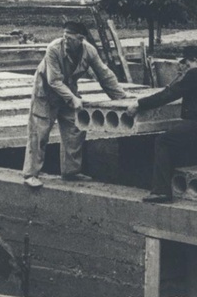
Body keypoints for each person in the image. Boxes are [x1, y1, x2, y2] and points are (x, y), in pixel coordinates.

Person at [22, 20, 129, 189]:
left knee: (75, 128)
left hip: (68, 92)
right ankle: (30, 174)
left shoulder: (89, 51)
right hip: (46, 94)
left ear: (80, 39)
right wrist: (73, 99)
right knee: (39, 133)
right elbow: (54, 81)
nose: (65, 41)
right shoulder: (53, 49)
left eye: (69, 38)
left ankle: (70, 171)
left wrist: (122, 98)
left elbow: (105, 75)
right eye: (64, 37)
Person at [125, 48, 197, 204]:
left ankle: (161, 191)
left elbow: (169, 95)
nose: (186, 68)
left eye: (187, 64)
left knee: (163, 141)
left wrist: (139, 103)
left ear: (195, 60)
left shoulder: (196, 74)